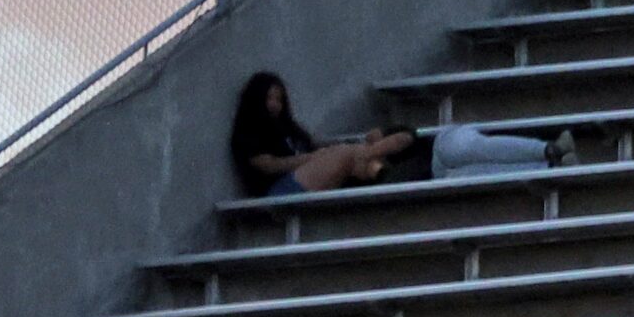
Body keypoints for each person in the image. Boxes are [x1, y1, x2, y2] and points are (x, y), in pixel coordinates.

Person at [229, 71, 415, 198]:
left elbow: (313, 147)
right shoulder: (249, 129)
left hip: (307, 180)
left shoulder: (288, 127)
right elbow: (268, 166)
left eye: (279, 99)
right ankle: (374, 155)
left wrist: (325, 153)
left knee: (363, 157)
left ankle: (377, 162)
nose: (275, 104)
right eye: (269, 98)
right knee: (348, 154)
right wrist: (314, 158)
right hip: (280, 191)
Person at [432, 122, 580, 179]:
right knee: (465, 176)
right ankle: (552, 167)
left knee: (468, 148)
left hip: (436, 143)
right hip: (435, 178)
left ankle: (551, 149)